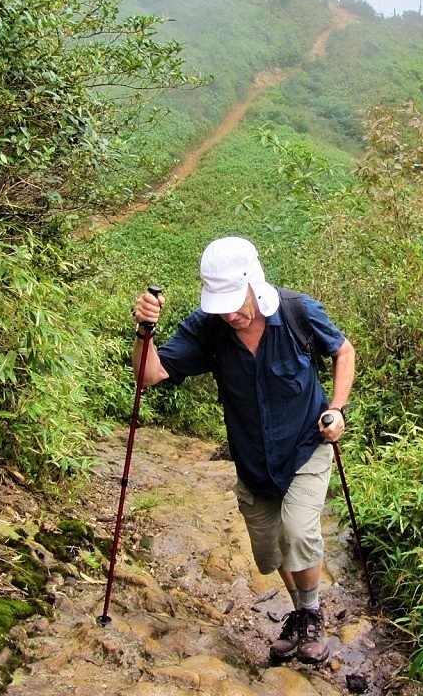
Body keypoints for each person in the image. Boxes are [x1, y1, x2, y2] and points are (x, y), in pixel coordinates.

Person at [131, 236, 355, 665]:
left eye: (236, 302)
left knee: (297, 532)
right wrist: (145, 332)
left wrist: (337, 409)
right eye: (221, 304)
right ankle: (300, 611)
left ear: (256, 282)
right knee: (271, 552)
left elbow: (343, 351)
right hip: (253, 461)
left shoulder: (297, 312)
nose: (231, 313)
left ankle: (310, 616)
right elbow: (150, 374)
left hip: (306, 446)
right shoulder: (208, 327)